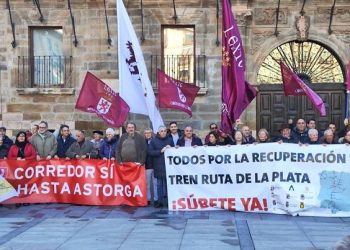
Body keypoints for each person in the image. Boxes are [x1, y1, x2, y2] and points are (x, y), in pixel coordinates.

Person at [148, 126, 174, 208]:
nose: (163, 132)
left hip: (168, 166)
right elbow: (150, 152)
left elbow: (174, 151)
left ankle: (168, 201)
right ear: (158, 132)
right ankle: (159, 202)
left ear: (166, 132)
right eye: (161, 131)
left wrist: (172, 148)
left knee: (168, 185)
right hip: (158, 165)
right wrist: (160, 151)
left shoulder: (170, 140)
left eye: (164, 131)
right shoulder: (154, 141)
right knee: (159, 185)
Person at [144, 128, 158, 206]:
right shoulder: (142, 142)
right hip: (147, 165)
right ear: (144, 134)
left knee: (155, 183)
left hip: (155, 165)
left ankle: (156, 199)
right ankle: (148, 199)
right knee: (147, 184)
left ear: (151, 133)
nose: (148, 134)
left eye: (149, 133)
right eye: (146, 133)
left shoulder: (155, 141)